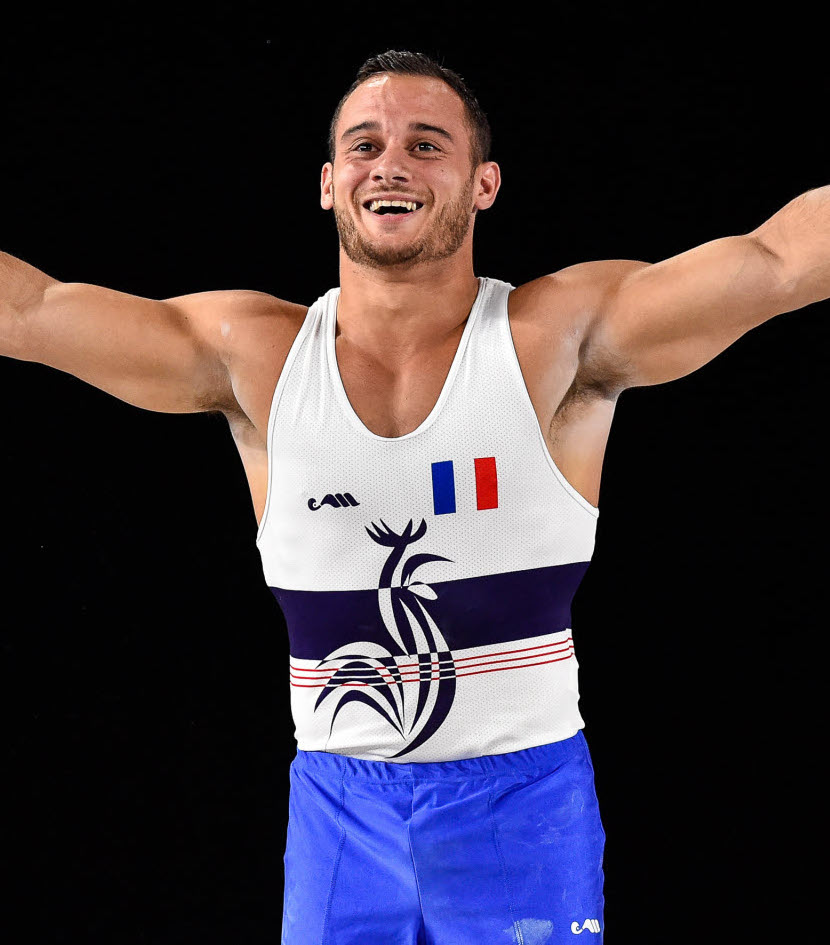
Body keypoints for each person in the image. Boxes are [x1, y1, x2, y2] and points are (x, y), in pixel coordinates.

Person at [1, 47, 827, 944]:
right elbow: (31, 309)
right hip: (339, 810)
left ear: (484, 183)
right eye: (363, 145)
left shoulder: (558, 340)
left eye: (426, 144)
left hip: (524, 802)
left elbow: (781, 261)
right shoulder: (254, 356)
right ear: (327, 183)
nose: (389, 162)